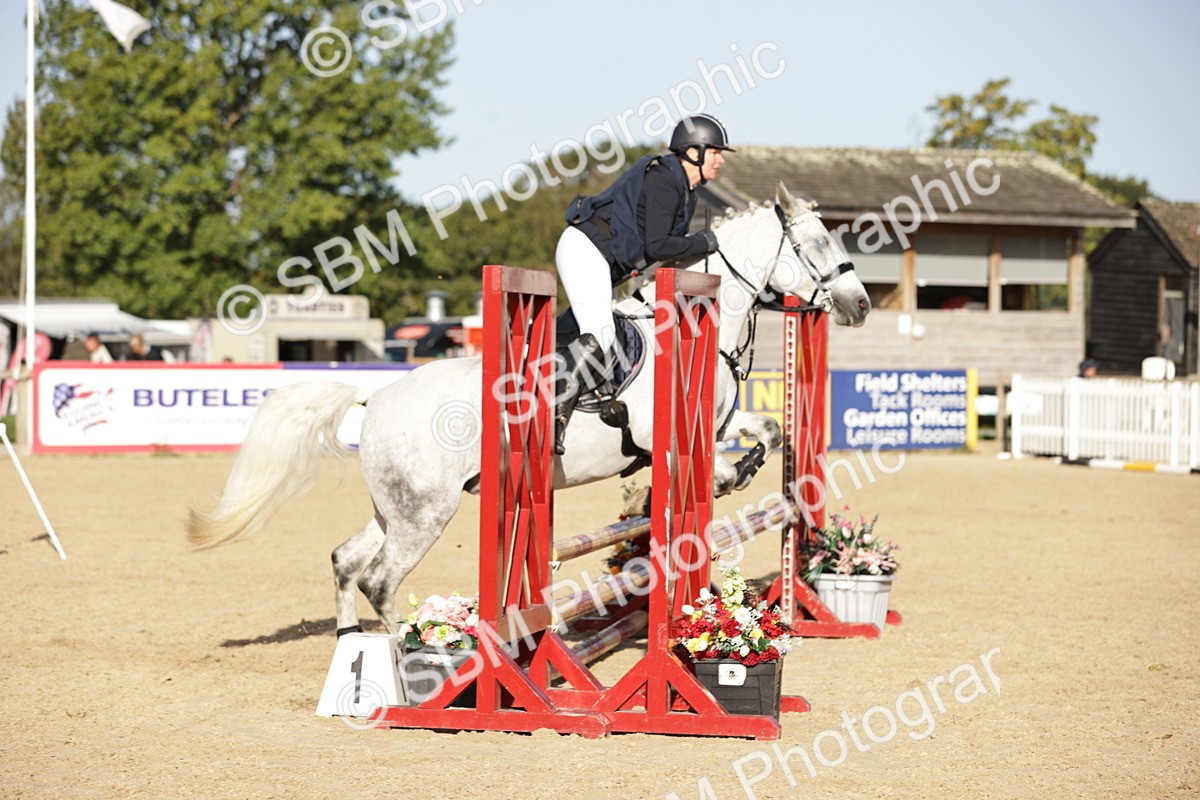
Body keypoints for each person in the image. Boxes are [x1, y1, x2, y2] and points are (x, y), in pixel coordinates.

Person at [552, 113, 735, 454]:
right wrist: (706, 241)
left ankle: (541, 350)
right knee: (602, 334)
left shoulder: (685, 191)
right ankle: (554, 416)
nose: (721, 159)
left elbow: (662, 251)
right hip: (587, 250)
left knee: (585, 329)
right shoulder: (665, 180)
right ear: (693, 151)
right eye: (715, 151)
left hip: (604, 263)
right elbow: (658, 246)